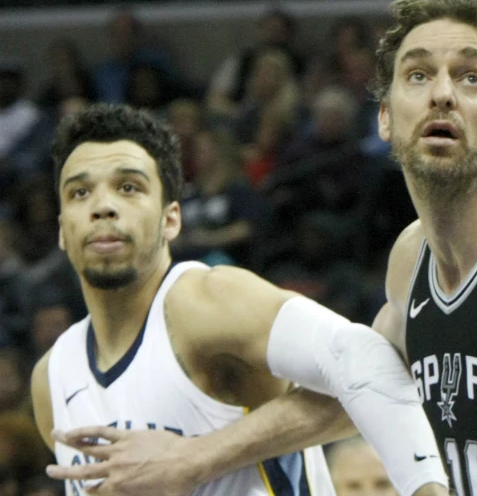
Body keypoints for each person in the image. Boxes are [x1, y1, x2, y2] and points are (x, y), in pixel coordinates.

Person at [47, 0, 477, 495]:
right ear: (386, 116)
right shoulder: (410, 260)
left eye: (470, 77)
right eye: (418, 74)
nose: (442, 91)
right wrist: (195, 456)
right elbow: (351, 392)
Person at [33, 104, 447, 496]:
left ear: (171, 219)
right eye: (80, 193)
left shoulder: (203, 303)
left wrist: (194, 458)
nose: (103, 206)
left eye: (128, 187)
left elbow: (371, 362)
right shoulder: (52, 378)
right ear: (62, 231)